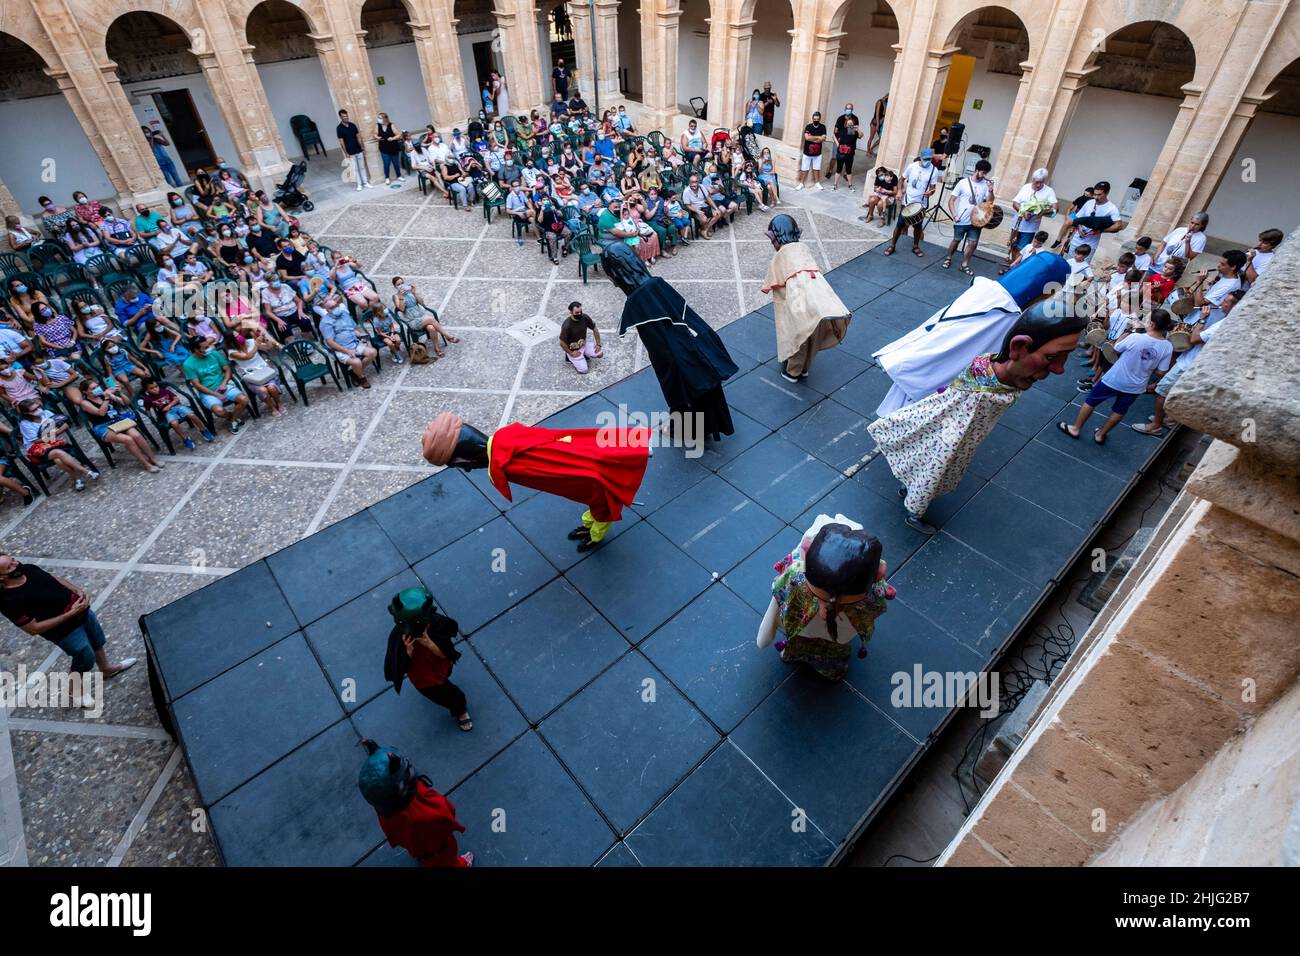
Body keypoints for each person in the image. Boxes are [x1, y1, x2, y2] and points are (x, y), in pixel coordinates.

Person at [870, 300, 1089, 532]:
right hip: (953, 437)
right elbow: (964, 414)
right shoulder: (983, 392)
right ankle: (914, 510)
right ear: (1019, 346)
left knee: (928, 464)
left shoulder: (987, 365)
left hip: (959, 433)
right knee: (935, 467)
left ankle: (912, 490)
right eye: (1051, 357)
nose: (1059, 369)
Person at [873, 252, 1070, 415]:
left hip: (926, 356)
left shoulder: (988, 293)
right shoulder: (1006, 314)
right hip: (944, 369)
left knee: (910, 401)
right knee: (918, 407)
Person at [423, 411, 650, 551]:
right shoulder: (506, 436)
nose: (468, 470)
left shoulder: (509, 466)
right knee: (596, 500)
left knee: (601, 503)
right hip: (584, 469)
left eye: (461, 465)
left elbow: (558, 475)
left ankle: (596, 535)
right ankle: (591, 524)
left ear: (465, 458)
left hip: (589, 480)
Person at [602, 243, 738, 442]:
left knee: (685, 398)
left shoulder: (638, 302)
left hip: (681, 361)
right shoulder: (657, 284)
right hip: (694, 348)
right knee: (701, 393)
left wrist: (672, 378)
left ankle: (689, 430)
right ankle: (703, 427)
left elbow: (660, 352)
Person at [755, 516, 895, 681]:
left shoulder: (794, 576)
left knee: (798, 644)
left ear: (805, 557)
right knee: (833, 657)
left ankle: (793, 654)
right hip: (838, 640)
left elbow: (775, 607)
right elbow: (881, 595)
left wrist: (765, 636)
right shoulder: (873, 592)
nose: (825, 612)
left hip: (802, 630)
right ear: (877, 575)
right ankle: (831, 671)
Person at [0, 554, 136, 707]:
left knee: (97, 640)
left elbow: (54, 578)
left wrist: (77, 591)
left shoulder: (29, 569)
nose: (16, 564)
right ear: (1, 577)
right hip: (63, 631)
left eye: (12, 560)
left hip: (82, 613)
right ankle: (75, 691)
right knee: (84, 657)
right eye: (9, 567)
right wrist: (70, 614)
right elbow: (33, 629)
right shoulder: (7, 601)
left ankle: (106, 669)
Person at [1133, 290, 1241, 438]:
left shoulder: (1223, 323)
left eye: (1226, 301)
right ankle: (1167, 420)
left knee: (1161, 393)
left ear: (1234, 306)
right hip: (1194, 362)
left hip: (1189, 363)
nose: (1222, 303)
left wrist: (1202, 319)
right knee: (1173, 393)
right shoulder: (1231, 321)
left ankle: (1155, 426)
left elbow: (1194, 339)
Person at [1060, 308, 1174, 445]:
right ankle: (1101, 434)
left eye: (1147, 319)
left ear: (1152, 324)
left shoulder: (1135, 337)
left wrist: (1127, 330)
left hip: (1115, 379)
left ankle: (1075, 428)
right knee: (1120, 410)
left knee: (1091, 401)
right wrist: (1148, 365)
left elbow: (1115, 348)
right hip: (1136, 386)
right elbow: (1161, 372)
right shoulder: (1167, 347)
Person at [762, 214, 850, 383]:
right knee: (813, 333)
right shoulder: (803, 249)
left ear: (775, 237)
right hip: (816, 295)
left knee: (797, 334)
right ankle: (804, 368)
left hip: (798, 298)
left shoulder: (781, 255)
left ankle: (793, 371)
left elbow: (773, 280)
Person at [357, 739, 473, 867]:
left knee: (417, 844)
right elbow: (447, 814)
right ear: (400, 788)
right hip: (437, 847)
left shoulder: (384, 807)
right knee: (445, 859)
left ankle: (422, 856)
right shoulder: (424, 814)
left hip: (416, 844)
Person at [384, 587, 472, 732]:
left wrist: (429, 643)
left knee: (446, 682)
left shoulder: (437, 625)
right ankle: (460, 709)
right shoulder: (398, 638)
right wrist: (409, 652)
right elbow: (399, 666)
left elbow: (447, 653)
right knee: (451, 695)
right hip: (424, 680)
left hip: (441, 667)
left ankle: (458, 706)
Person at [75, 380, 163, 473]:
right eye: (93, 388)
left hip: (117, 421)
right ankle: (146, 464)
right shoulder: (85, 403)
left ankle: (152, 458)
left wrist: (119, 393)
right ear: (85, 392)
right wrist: (107, 398)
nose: (97, 389)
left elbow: (126, 403)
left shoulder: (104, 395)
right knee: (127, 439)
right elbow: (101, 413)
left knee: (136, 435)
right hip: (102, 426)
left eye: (97, 386)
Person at [16, 397, 98, 491]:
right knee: (58, 453)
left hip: (54, 443)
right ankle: (86, 471)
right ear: (27, 413)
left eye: (38, 407)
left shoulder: (46, 413)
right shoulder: (25, 424)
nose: (38, 410)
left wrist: (52, 433)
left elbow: (65, 424)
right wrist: (55, 432)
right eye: (34, 410)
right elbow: (37, 441)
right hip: (38, 450)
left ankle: (77, 478)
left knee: (58, 460)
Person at [182, 336, 249, 433]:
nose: (208, 348)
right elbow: (197, 385)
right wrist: (217, 395)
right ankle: (233, 418)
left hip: (223, 385)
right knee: (219, 411)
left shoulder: (214, 354)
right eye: (205, 348)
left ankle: (233, 420)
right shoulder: (188, 364)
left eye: (208, 345)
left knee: (244, 399)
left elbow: (227, 369)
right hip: (207, 392)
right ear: (196, 350)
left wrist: (224, 383)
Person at [884, 148, 941, 257]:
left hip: (921, 204)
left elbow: (933, 188)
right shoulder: (912, 166)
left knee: (918, 226)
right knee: (900, 224)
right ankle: (892, 245)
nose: (927, 161)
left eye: (929, 159)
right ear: (921, 157)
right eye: (925, 159)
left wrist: (931, 193)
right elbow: (901, 179)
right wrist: (900, 191)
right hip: (908, 201)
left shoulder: (934, 170)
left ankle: (915, 246)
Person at [943, 158, 994, 275]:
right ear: (976, 170)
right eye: (982, 172)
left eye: (986, 173)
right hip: (961, 218)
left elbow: (989, 202)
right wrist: (954, 215)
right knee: (956, 241)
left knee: (973, 243)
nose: (984, 175)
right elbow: (951, 200)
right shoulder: (963, 183)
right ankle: (948, 258)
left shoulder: (986, 185)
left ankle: (964, 264)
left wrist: (991, 191)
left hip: (977, 220)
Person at [319, 293, 377, 388]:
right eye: (331, 307)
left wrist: (359, 334)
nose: (335, 308)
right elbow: (330, 342)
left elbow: (354, 328)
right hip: (340, 349)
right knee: (356, 362)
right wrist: (347, 351)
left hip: (354, 343)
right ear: (327, 310)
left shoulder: (344, 314)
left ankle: (354, 372)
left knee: (373, 352)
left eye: (336, 305)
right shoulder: (326, 323)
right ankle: (361, 377)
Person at [225, 328, 287, 417]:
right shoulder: (232, 352)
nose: (239, 337)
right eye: (236, 337)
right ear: (231, 341)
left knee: (271, 388)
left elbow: (268, 347)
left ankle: (279, 403)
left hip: (264, 371)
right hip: (251, 376)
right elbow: (247, 356)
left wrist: (265, 339)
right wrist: (257, 344)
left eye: (239, 334)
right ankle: (271, 407)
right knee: (263, 390)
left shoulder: (250, 341)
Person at [142, 378, 213, 450]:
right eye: (151, 388)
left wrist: (169, 406)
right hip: (167, 412)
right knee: (174, 423)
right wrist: (150, 417)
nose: (155, 389)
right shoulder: (148, 399)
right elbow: (147, 409)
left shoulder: (165, 391)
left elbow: (176, 399)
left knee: (192, 415)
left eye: (156, 386)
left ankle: (203, 429)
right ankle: (185, 438)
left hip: (178, 406)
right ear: (147, 390)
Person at [1007, 168, 1057, 266]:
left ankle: (1017, 268)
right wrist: (1023, 211)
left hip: (1030, 228)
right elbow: (1015, 203)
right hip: (1017, 224)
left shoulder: (1049, 191)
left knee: (1023, 248)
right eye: (1036, 182)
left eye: (1041, 183)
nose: (1038, 185)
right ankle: (1013, 264)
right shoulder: (1026, 187)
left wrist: (1043, 212)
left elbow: (1055, 209)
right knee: (1013, 245)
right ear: (1033, 180)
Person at [1071, 180, 1123, 262]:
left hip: (1090, 246)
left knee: (1082, 270)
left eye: (1099, 195)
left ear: (1107, 193)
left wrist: (1101, 230)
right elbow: (1077, 218)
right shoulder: (1089, 203)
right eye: (1095, 194)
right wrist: (1079, 228)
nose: (1096, 197)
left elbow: (1118, 225)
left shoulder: (1112, 208)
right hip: (1076, 241)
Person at [1148, 212, 1209, 277]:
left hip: (1171, 273)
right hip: (1156, 265)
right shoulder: (1179, 230)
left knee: (1157, 287)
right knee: (1145, 285)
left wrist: (1187, 242)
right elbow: (1163, 243)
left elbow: (1189, 257)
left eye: (1197, 224)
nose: (1193, 226)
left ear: (1202, 225)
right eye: (1192, 222)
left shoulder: (1201, 238)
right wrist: (1155, 256)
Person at [560, 301, 603, 374]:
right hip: (574, 350)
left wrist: (598, 344)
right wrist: (571, 353)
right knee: (584, 370)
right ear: (571, 312)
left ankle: (584, 354)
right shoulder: (567, 325)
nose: (579, 314)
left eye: (580, 312)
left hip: (583, 345)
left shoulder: (585, 317)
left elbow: (594, 329)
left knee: (600, 354)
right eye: (577, 313)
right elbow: (562, 343)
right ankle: (570, 358)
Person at [828, 105, 862, 190]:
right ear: (845, 124)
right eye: (847, 108)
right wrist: (838, 144)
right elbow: (834, 134)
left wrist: (857, 130)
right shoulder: (841, 128)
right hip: (841, 151)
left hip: (850, 152)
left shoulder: (853, 131)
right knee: (838, 168)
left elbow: (861, 136)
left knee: (849, 169)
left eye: (851, 123)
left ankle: (850, 185)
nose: (848, 110)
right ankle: (834, 183)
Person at [336, 109, 371, 191]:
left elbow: (358, 137)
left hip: (358, 150)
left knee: (362, 167)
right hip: (350, 152)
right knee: (355, 169)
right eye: (344, 116)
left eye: (347, 116)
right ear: (340, 117)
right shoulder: (339, 128)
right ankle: (359, 184)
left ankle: (365, 182)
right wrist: (346, 153)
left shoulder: (352, 125)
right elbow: (341, 142)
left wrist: (362, 147)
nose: (346, 117)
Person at [795, 112, 828, 190]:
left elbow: (823, 138)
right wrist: (818, 138)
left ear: (820, 119)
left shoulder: (823, 127)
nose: (816, 120)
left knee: (816, 169)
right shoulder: (809, 127)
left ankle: (817, 183)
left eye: (817, 119)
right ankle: (801, 183)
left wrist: (812, 137)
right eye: (814, 119)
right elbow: (806, 138)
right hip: (807, 153)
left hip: (817, 153)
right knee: (804, 169)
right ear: (812, 119)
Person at [375, 112, 405, 187]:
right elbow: (375, 133)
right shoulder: (377, 125)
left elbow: (399, 134)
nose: (378, 119)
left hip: (393, 147)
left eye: (380, 118)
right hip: (383, 148)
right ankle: (387, 178)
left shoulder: (391, 125)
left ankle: (399, 176)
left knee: (396, 163)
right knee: (386, 164)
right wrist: (377, 137)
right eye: (378, 118)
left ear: (385, 118)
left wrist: (392, 138)